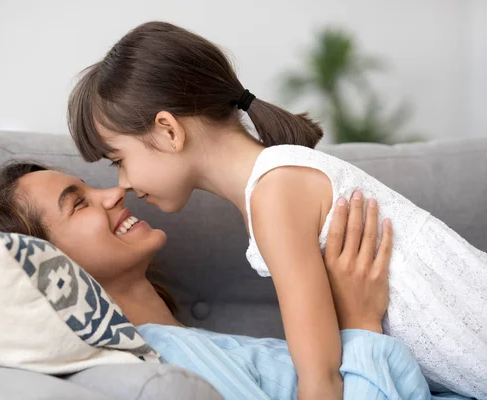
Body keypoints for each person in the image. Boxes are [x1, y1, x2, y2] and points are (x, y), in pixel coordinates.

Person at [66, 21, 487, 399]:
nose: (122, 185)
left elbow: (322, 380)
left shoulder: (275, 196)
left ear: (168, 130)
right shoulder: (275, 183)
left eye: (118, 160)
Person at [0, 163, 468, 399]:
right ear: (49, 263)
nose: (112, 193)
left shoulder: (185, 346)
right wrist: (361, 323)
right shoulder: (169, 361)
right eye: (77, 203)